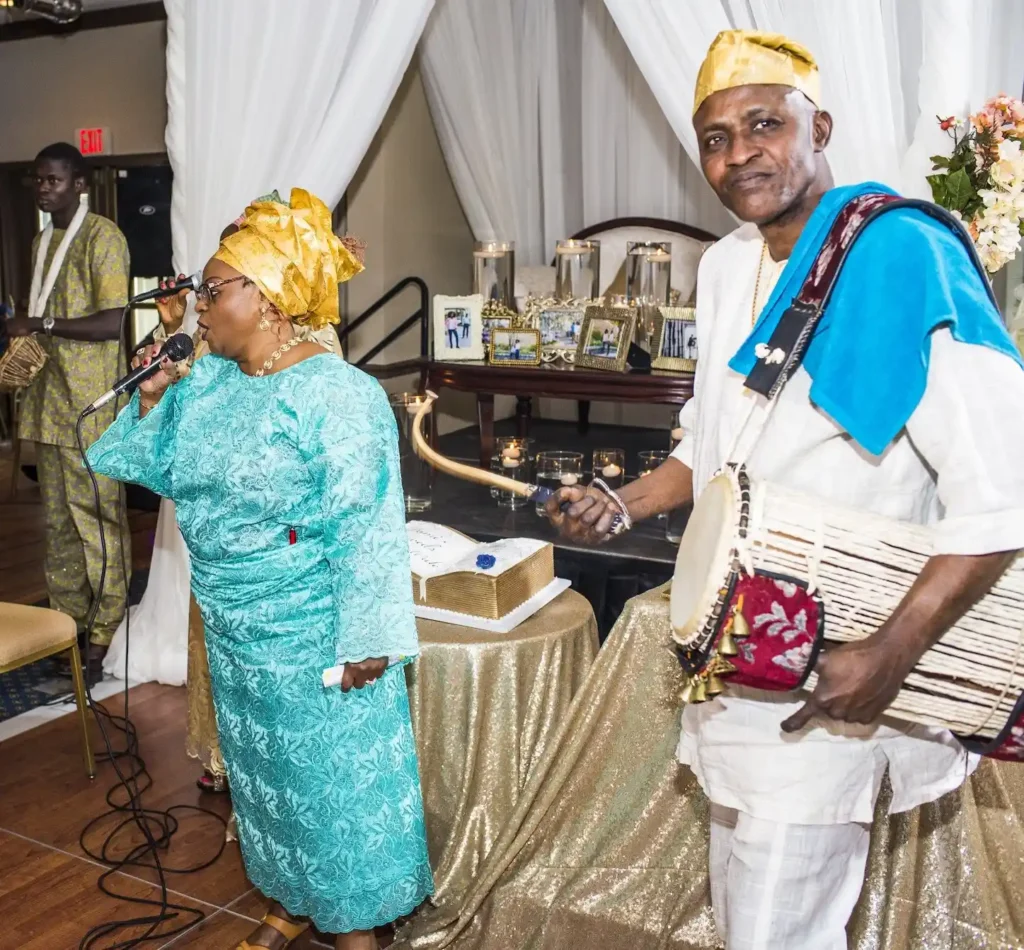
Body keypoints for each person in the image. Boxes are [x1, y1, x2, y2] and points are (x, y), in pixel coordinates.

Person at [548, 30, 1024, 950]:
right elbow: (717, 444)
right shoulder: (726, 266)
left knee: (777, 922)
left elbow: (1004, 490)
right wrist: (629, 502)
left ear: (823, 127)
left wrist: (891, 652)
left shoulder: (902, 256)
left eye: (764, 124)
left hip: (842, 658)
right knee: (749, 905)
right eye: (716, 138)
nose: (739, 154)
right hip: (739, 650)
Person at [87, 188, 433, 950]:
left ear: (271, 298)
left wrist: (369, 635)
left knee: (330, 790)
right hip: (234, 629)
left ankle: (353, 931)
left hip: (312, 632)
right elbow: (143, 464)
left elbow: (367, 522)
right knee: (267, 786)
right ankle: (288, 901)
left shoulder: (338, 394)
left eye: (215, 290)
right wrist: (150, 398)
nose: (199, 305)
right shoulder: (208, 380)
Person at [6, 142, 131, 676]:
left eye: (53, 180)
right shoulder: (40, 242)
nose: (43, 188)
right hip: (47, 402)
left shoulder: (103, 237)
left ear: (79, 183)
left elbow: (111, 323)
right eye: (37, 180)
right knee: (57, 524)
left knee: (98, 521)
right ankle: (67, 626)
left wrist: (41, 326)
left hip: (91, 405)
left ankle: (105, 631)